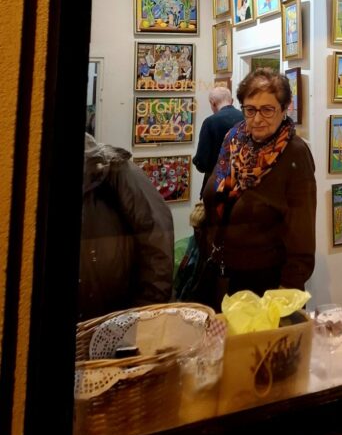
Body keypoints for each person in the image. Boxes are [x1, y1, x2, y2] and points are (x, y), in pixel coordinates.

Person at [202, 68, 316, 305]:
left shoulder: (294, 152)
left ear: (284, 109)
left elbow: (302, 234)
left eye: (267, 110)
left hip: (270, 284)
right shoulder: (234, 140)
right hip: (225, 273)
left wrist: (284, 295)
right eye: (250, 109)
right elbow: (217, 191)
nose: (257, 119)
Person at [79, 134, 174, 321]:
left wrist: (143, 314)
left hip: (125, 317)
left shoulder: (116, 171)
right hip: (95, 319)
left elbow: (157, 237)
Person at [193, 86, 243, 192]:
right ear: (232, 101)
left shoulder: (210, 122)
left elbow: (202, 163)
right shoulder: (245, 118)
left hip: (216, 183)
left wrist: (196, 162)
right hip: (241, 183)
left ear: (213, 103)